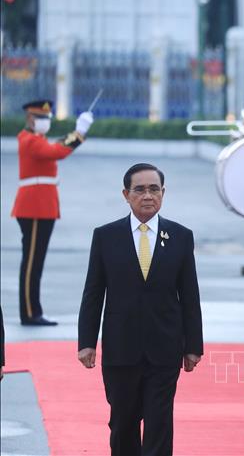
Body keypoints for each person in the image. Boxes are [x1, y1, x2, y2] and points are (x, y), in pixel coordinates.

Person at [77, 163, 203, 456]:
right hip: (121, 349)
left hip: (164, 349)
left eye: (154, 189)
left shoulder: (181, 237)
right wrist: (86, 342)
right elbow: (93, 293)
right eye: (140, 189)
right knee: (123, 423)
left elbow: (189, 295)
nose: (148, 195)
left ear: (163, 193)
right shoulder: (106, 236)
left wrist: (193, 345)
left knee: (159, 423)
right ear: (126, 194)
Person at [12, 100, 94, 325]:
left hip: (42, 206)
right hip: (34, 207)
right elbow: (57, 151)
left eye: (47, 119)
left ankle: (33, 310)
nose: (45, 123)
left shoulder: (36, 139)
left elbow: (55, 147)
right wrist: (78, 133)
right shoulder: (28, 140)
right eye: (42, 118)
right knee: (31, 263)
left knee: (35, 261)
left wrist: (76, 133)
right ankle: (29, 313)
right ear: (30, 119)